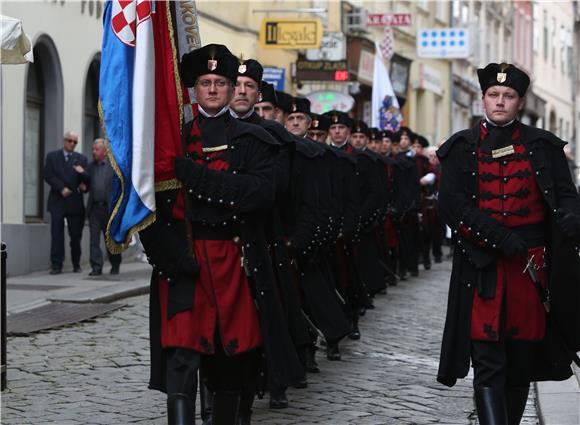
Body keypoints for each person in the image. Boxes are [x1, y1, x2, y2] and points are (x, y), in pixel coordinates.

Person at [141, 44, 303, 425]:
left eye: (220, 82)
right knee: (180, 357)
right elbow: (148, 207)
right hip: (182, 264)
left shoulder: (254, 142)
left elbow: (258, 194)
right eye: (204, 82)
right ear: (193, 90)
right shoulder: (172, 141)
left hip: (234, 263)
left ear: (232, 90)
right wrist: (170, 256)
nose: (212, 89)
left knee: (231, 361)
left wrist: (194, 175)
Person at [437, 62, 580, 425]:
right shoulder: (459, 149)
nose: (500, 101)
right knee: (487, 359)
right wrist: (498, 237)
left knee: (520, 362)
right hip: (481, 268)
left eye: (509, 96)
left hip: (531, 269)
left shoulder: (545, 148)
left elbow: (567, 197)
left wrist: (570, 220)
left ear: (520, 102)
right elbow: (454, 207)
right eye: (494, 95)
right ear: (483, 99)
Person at [44, 131, 89, 274]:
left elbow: (87, 181)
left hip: (74, 202)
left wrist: (83, 176)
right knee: (56, 235)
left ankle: (76, 263)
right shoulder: (52, 157)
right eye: (70, 141)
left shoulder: (81, 159)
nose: (72, 144)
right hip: (58, 200)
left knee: (75, 235)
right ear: (64, 141)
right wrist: (61, 188)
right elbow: (48, 175)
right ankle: (56, 264)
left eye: (75, 142)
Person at [86, 138, 121, 276]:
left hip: (109, 209)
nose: (94, 152)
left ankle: (115, 264)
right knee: (94, 240)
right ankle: (96, 267)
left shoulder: (112, 167)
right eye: (93, 149)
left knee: (110, 240)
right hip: (95, 208)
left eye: (96, 149)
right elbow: (87, 184)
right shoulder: (91, 167)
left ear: (105, 151)